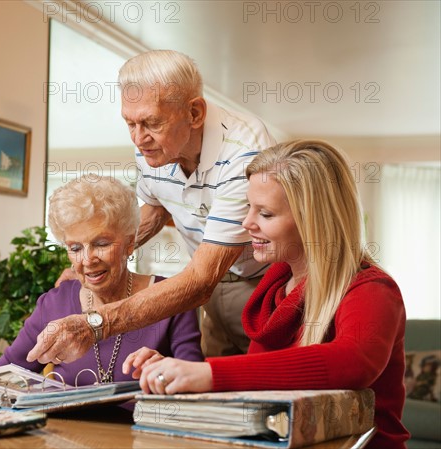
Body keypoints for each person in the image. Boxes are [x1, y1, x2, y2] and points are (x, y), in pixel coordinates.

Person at [122, 140, 410, 448]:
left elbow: (352, 361)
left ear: (313, 220)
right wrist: (176, 374)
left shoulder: (372, 289)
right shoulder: (274, 287)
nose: (247, 224)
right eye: (249, 208)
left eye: (266, 214)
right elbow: (261, 383)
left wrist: (207, 374)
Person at [29, 49, 276, 367]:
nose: (138, 138)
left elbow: (200, 280)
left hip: (265, 287)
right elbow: (156, 209)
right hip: (215, 293)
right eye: (129, 123)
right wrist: (106, 252)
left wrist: (95, 323)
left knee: (268, 389)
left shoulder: (246, 151)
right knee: (220, 398)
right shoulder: (153, 148)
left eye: (150, 123)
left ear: (195, 113)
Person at [0, 175, 203, 385]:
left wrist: (165, 370)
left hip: (143, 434)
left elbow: (194, 386)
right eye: (75, 247)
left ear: (130, 243)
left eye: (101, 244)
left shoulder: (171, 299)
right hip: (66, 435)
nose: (87, 260)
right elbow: (7, 374)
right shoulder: (53, 304)